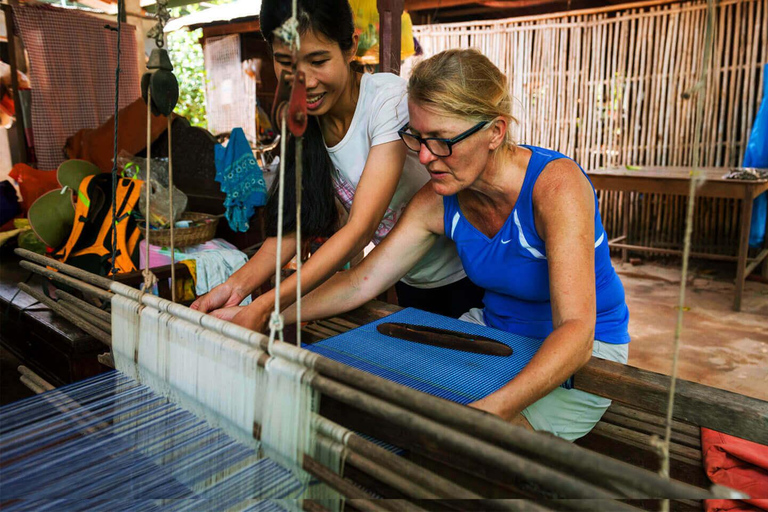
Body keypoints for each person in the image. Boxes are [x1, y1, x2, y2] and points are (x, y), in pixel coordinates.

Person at [279, 49, 631, 441]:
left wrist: (484, 413)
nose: (426, 157)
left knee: (465, 446)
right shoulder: (437, 200)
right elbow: (362, 281)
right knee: (388, 406)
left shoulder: (556, 188)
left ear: (495, 132)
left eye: (443, 141)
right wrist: (275, 313)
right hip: (496, 334)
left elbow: (576, 333)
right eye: (417, 137)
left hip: (586, 356)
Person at [191, 0, 483, 327]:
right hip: (406, 278)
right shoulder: (305, 122)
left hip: (466, 278)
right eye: (285, 62)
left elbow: (360, 229)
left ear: (350, 47)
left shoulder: (388, 102)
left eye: (318, 61)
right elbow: (293, 229)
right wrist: (233, 288)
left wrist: (265, 307)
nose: (303, 82)